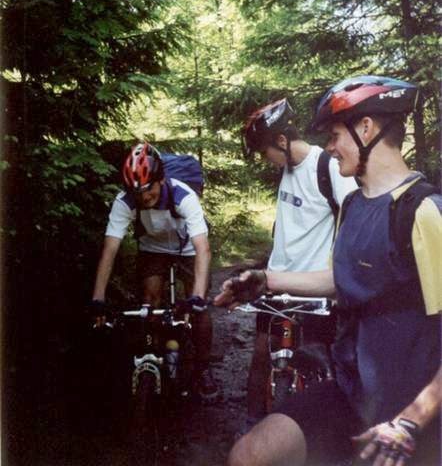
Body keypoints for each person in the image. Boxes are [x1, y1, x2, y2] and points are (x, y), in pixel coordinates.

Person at [216, 75, 441, 466]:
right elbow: (342, 279)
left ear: (366, 128)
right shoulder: (353, 206)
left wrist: (411, 421)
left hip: (415, 413)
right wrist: (265, 281)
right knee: (249, 455)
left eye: (335, 135)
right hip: (352, 395)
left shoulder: (422, 211)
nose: (330, 148)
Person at [241, 99, 357, 431]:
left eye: (266, 152)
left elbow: (353, 220)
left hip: (312, 287)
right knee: (261, 356)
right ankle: (254, 426)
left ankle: (317, 433)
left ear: (282, 141)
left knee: (315, 363)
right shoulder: (288, 168)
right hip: (274, 282)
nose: (266, 160)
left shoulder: (327, 167)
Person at [91, 141, 218, 401]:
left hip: (187, 247)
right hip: (153, 247)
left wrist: (197, 296)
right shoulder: (125, 201)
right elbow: (109, 250)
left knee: (199, 307)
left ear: (160, 179)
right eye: (137, 193)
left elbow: (203, 249)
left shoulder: (183, 195)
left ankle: (202, 368)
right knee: (149, 301)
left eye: (149, 190)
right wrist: (98, 298)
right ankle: (153, 355)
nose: (144, 198)